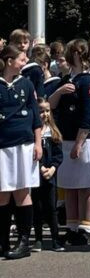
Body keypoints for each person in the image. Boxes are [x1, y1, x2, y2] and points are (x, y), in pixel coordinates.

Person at [49, 39, 90, 246]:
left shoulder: (88, 81)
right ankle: (72, 226)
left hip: (84, 139)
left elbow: (89, 115)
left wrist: (78, 144)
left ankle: (86, 226)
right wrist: (58, 92)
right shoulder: (67, 79)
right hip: (65, 137)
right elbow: (50, 105)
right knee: (70, 186)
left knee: (86, 185)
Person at [0, 44, 42, 260]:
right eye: (21, 60)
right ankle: (3, 241)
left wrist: (38, 143)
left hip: (23, 145)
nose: (24, 63)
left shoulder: (26, 83)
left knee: (22, 192)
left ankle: (24, 241)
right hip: (2, 146)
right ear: (9, 61)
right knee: (2, 194)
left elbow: (36, 116)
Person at [31, 100, 64, 253]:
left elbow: (58, 155)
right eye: (41, 111)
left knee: (51, 207)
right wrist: (40, 167)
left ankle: (55, 239)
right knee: (37, 207)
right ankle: (38, 239)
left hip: (50, 177)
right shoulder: (32, 133)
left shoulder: (53, 132)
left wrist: (53, 168)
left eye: (47, 111)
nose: (44, 114)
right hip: (36, 176)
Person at [9, 30, 45, 100]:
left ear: (29, 44)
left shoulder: (35, 68)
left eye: (25, 42)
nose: (22, 45)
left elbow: (40, 95)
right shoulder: (6, 66)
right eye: (18, 42)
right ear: (11, 43)